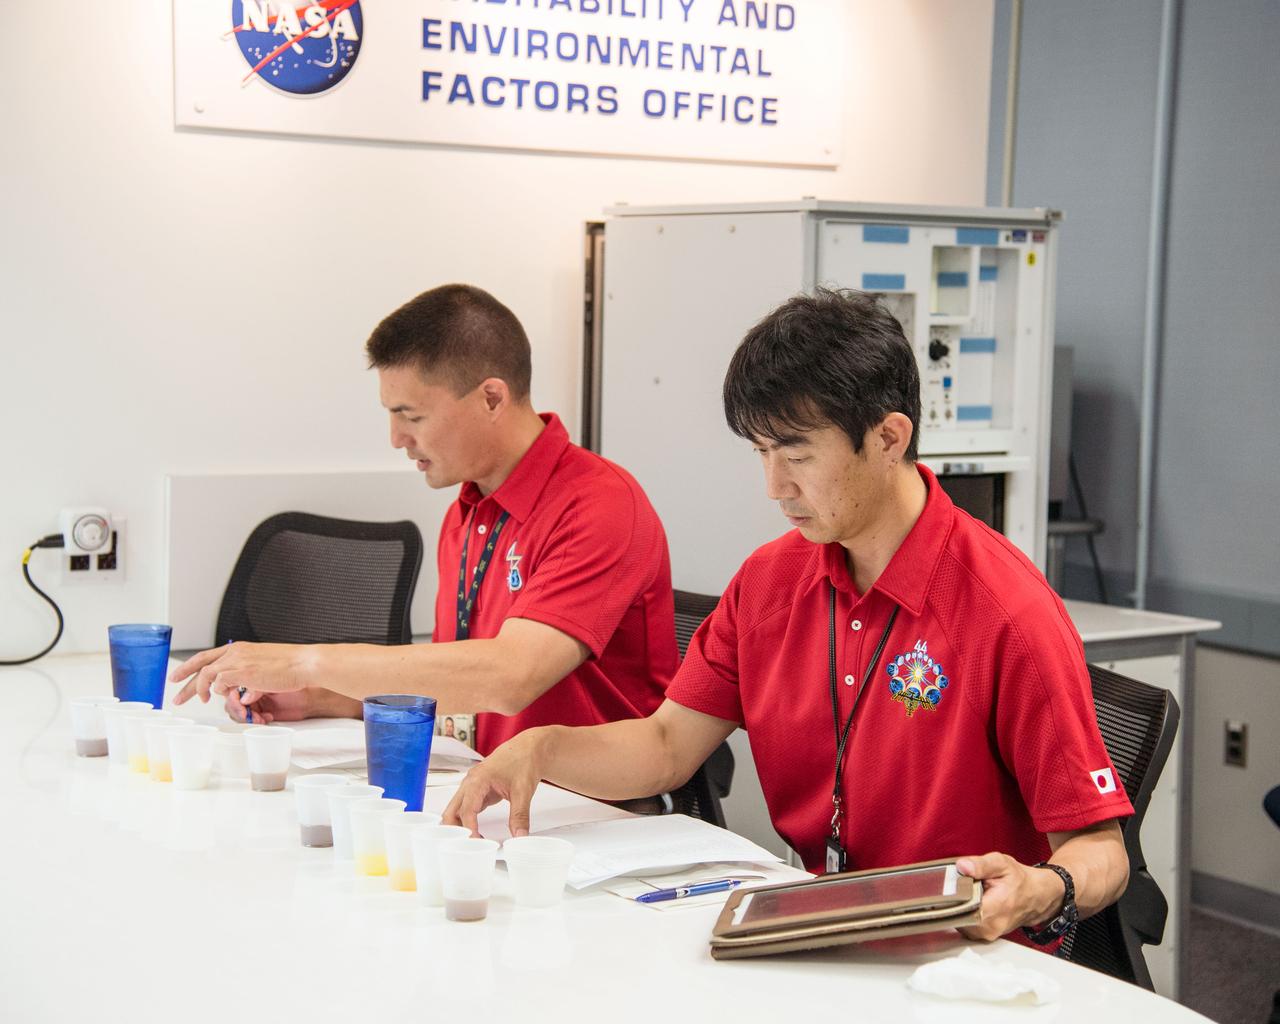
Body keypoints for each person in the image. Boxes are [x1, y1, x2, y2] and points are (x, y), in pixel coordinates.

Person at [444, 288, 1133, 947]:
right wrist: (542, 749)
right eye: (762, 452)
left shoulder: (1004, 610)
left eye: (797, 454)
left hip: (960, 953)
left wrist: (1043, 887)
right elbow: (666, 747)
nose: (774, 486)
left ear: (889, 438)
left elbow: (1102, 851)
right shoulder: (770, 582)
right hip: (819, 926)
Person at [171, 284, 678, 755]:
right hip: (484, 783)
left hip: (591, 806)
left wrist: (303, 661)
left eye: (411, 416)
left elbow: (510, 677)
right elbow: (458, 685)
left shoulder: (598, 504)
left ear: (491, 398)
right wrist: (316, 697)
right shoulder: (469, 509)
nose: (396, 438)